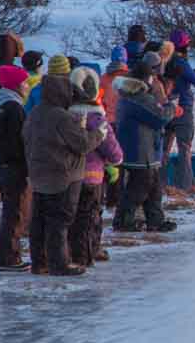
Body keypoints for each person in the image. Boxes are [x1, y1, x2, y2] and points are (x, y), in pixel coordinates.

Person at [22, 74, 107, 276]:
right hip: (63, 175)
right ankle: (59, 263)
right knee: (60, 220)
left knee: (40, 220)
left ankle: (39, 262)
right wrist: (98, 134)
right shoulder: (61, 116)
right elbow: (82, 144)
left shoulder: (35, 113)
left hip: (39, 175)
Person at [113, 58, 177, 232]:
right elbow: (160, 118)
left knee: (154, 187)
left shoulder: (128, 95)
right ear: (146, 79)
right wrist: (171, 106)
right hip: (141, 152)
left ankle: (155, 220)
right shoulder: (140, 98)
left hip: (142, 149)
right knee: (139, 188)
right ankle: (123, 221)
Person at [68, 66, 123, 265]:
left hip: (69, 175)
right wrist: (116, 160)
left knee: (72, 217)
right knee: (89, 217)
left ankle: (72, 252)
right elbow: (111, 149)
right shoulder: (96, 118)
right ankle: (85, 255)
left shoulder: (67, 115)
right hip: (92, 177)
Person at [0, 65, 31, 269]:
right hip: (14, 167)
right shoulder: (14, 108)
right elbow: (18, 142)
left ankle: (8, 255)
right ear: (16, 86)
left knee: (11, 212)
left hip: (3, 165)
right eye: (24, 83)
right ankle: (9, 258)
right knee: (15, 214)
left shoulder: (1, 104)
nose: (27, 86)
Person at [161, 29, 195, 189]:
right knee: (184, 149)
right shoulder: (182, 63)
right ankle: (184, 186)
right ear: (184, 46)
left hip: (165, 109)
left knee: (163, 150)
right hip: (183, 109)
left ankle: (159, 185)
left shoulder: (163, 61)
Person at [101, 45, 128, 208]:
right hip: (124, 123)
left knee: (109, 161)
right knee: (122, 161)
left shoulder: (103, 78)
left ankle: (110, 196)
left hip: (107, 123)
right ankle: (119, 197)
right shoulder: (130, 77)